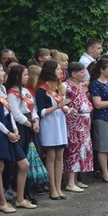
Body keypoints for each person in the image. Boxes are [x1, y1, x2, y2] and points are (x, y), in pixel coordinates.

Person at [0, 63, 36, 213]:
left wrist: (13, 128)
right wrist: (8, 132)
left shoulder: (2, 90)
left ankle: (20, 199)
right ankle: (2, 202)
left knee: (24, 164)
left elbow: (9, 113)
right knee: (0, 168)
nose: (3, 73)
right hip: (2, 130)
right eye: (1, 70)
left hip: (9, 128)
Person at [36, 60, 75, 200]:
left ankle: (59, 188)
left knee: (60, 157)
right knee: (51, 157)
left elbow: (61, 106)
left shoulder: (58, 88)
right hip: (49, 125)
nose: (61, 71)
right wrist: (59, 106)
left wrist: (68, 109)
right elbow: (41, 112)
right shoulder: (42, 89)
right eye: (58, 69)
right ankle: (52, 189)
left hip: (59, 124)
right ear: (51, 72)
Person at [63, 62, 94, 192]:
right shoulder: (66, 86)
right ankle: (70, 182)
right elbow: (63, 103)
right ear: (74, 74)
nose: (84, 74)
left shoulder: (81, 85)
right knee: (73, 151)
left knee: (82, 149)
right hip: (73, 123)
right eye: (81, 72)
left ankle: (76, 179)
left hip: (84, 122)